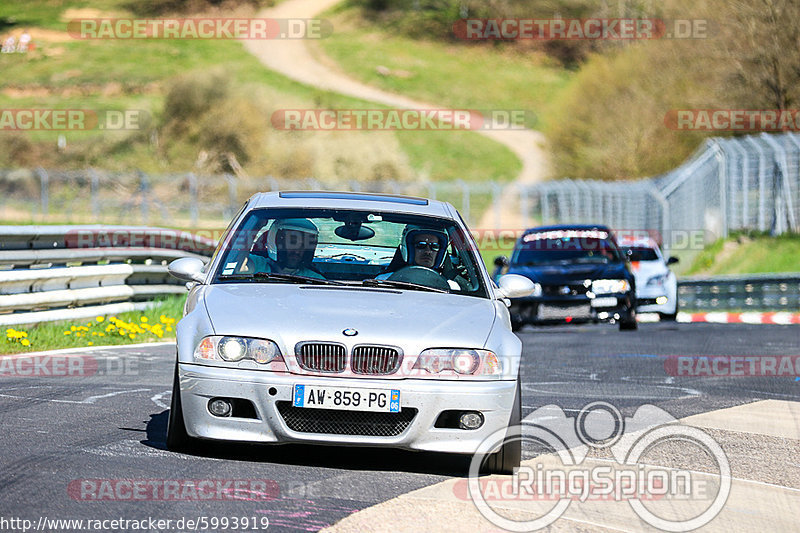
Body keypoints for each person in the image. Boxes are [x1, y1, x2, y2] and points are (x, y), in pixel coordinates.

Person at [378, 225, 470, 290]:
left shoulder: (452, 287)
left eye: (434, 246)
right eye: (421, 245)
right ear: (408, 248)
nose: (428, 251)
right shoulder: (383, 281)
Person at [243, 218, 325, 279]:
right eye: (292, 243)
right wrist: (256, 225)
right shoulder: (257, 264)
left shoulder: (315, 278)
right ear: (276, 242)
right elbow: (237, 266)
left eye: (303, 246)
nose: (297, 251)